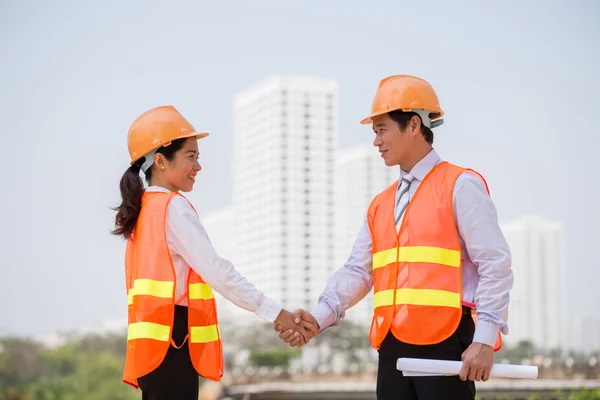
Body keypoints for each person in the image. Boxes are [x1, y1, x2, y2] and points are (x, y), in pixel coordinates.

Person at [276, 75, 513, 400]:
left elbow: (495, 264)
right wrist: (317, 319)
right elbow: (358, 271)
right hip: (392, 347)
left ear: (414, 125)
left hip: (445, 344)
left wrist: (484, 339)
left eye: (382, 130)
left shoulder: (459, 186)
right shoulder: (381, 204)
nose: (376, 141)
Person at [112, 105, 314, 400]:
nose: (198, 167)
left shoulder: (142, 210)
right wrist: (275, 312)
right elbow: (218, 272)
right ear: (160, 161)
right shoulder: (172, 208)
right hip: (175, 340)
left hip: (151, 347)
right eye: (190, 157)